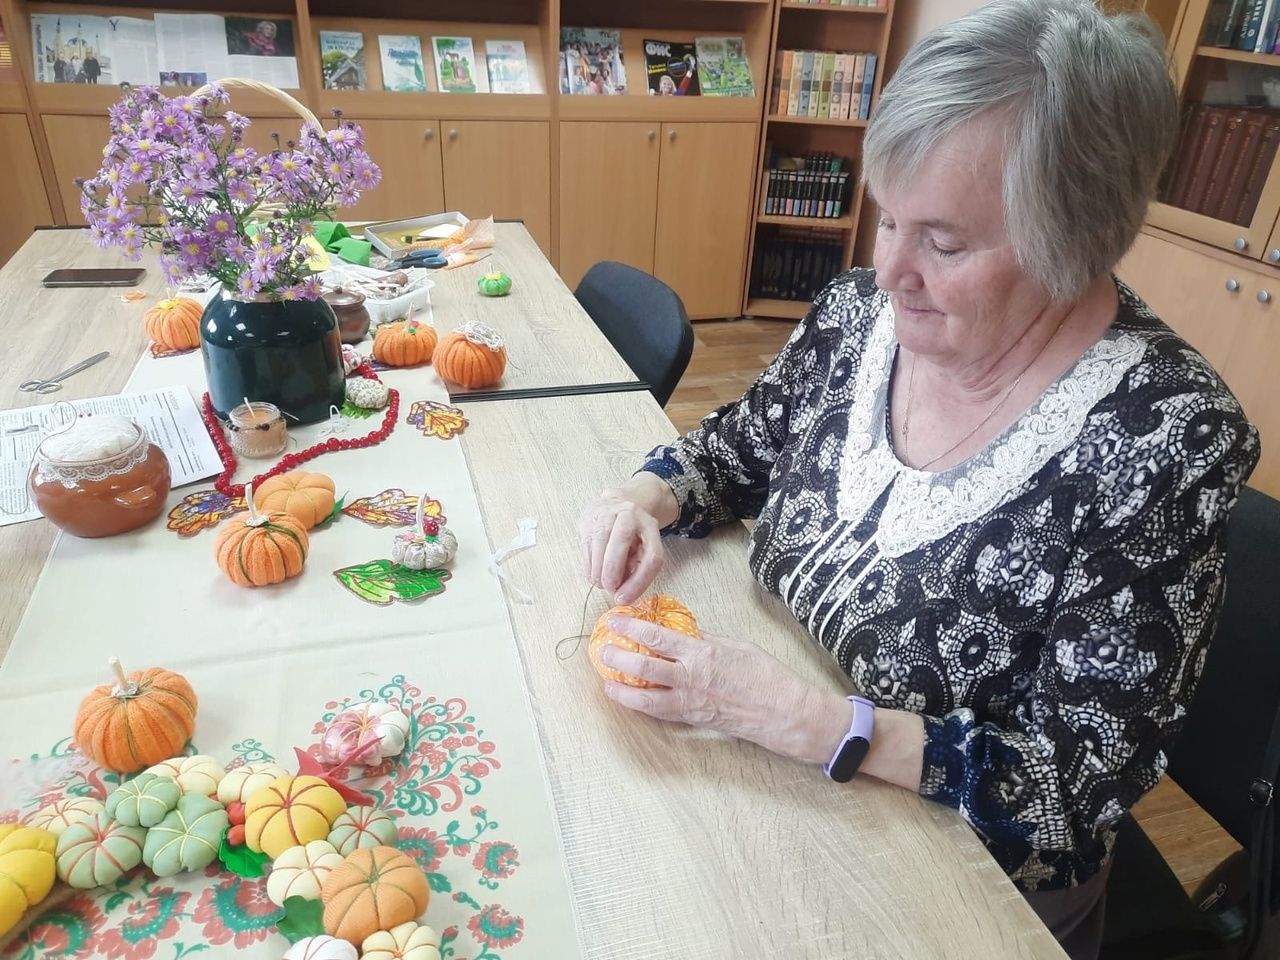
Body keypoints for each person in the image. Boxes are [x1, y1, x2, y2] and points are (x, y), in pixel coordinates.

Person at [576, 2, 1260, 957]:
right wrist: (645, 495)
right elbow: (739, 446)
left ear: (1078, 241)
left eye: (941, 243)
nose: (886, 267)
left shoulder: (1164, 441)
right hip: (754, 774)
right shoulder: (863, 315)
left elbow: (1074, 788)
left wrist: (810, 723)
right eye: (887, 215)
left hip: (943, 877)